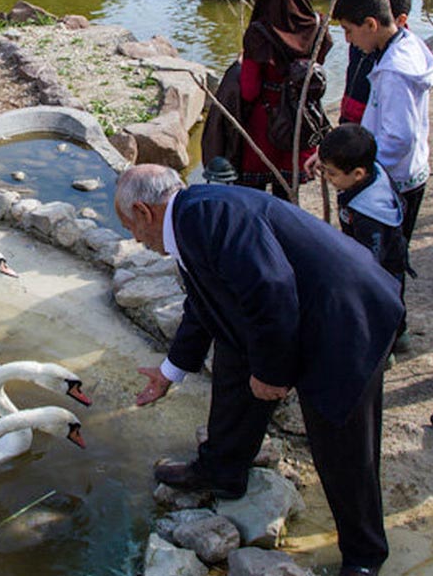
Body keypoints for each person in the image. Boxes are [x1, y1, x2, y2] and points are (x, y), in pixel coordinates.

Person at [116, 164, 403, 576]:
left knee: (341, 443)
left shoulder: (206, 218)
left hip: (345, 317)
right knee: (234, 358)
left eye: (130, 227)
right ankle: (222, 469)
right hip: (298, 308)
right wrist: (170, 371)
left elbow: (271, 291)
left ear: (145, 212)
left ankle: (364, 555)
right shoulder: (191, 219)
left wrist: (272, 373)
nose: (134, 239)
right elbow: (205, 306)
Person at [330, 0, 433, 244]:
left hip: (394, 180)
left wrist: (359, 168)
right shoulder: (407, 43)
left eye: (349, 30)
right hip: (410, 171)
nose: (348, 39)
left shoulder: (394, 72)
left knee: (381, 261)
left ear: (371, 24)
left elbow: (399, 137)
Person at [235, 0, 332, 200]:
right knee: (288, 200)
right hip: (301, 122)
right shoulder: (319, 26)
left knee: (253, 199)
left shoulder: (260, 33)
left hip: (265, 126)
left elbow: (249, 90)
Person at [317, 123, 408, 283]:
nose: (326, 177)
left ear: (358, 173)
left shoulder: (370, 217)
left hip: (381, 280)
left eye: (331, 173)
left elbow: (368, 265)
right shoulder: (370, 169)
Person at [338, 0, 412, 126]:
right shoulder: (361, 39)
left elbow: (400, 135)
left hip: (368, 123)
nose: (348, 39)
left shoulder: (395, 66)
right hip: (350, 113)